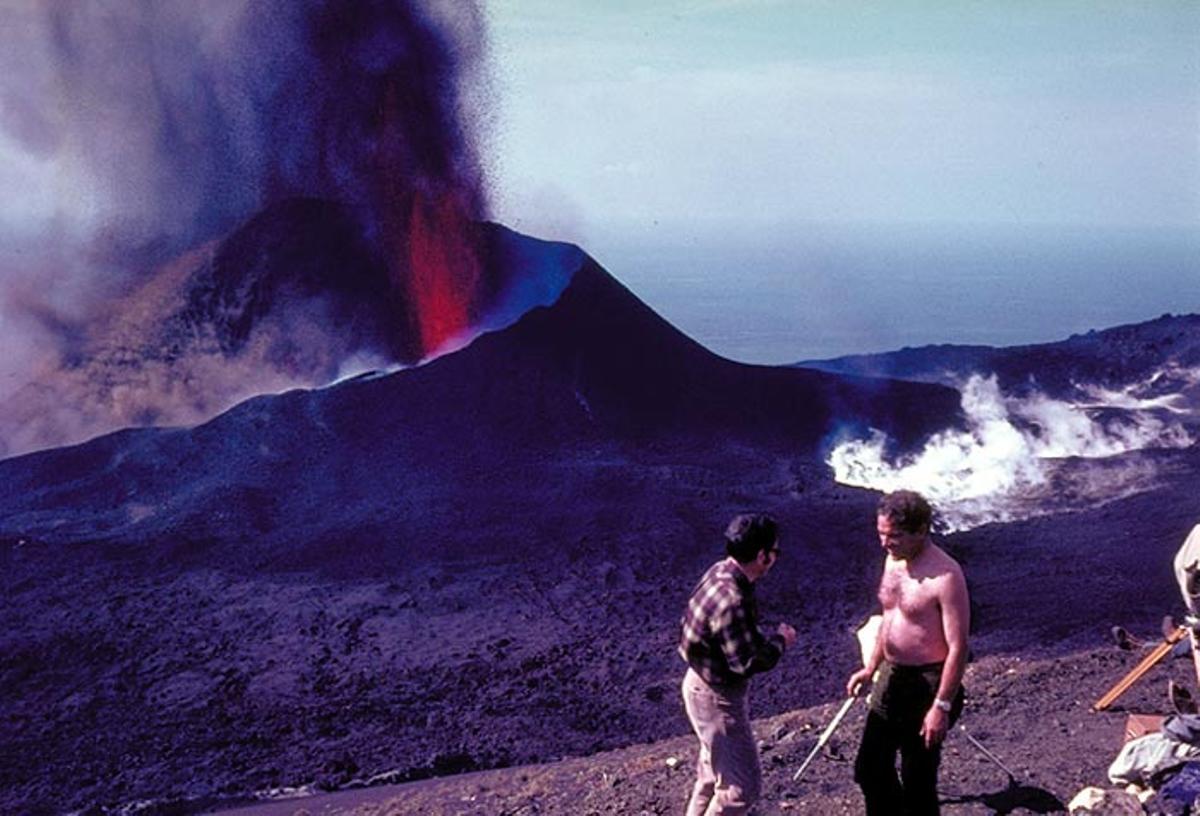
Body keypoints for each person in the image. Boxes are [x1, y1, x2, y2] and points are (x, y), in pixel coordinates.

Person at [846, 490, 970, 816]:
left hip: (929, 681)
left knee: (918, 777)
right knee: (870, 768)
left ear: (922, 530)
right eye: (881, 534)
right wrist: (871, 666)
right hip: (893, 673)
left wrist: (940, 706)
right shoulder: (893, 561)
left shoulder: (946, 576)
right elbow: (889, 616)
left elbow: (958, 646)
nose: (886, 543)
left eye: (895, 536)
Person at [679, 512, 797, 815]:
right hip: (716, 698)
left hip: (698, 684)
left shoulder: (720, 571)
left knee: (712, 775)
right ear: (762, 555)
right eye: (775, 551)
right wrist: (780, 641)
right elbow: (745, 664)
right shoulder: (733, 600)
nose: (776, 557)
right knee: (740, 789)